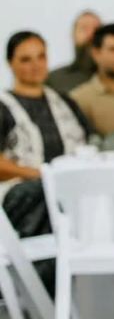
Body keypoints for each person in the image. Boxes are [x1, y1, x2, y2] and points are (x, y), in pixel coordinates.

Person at [1, 32, 90, 242]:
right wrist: (40, 174)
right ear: (10, 63)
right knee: (46, 191)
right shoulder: (3, 106)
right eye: (26, 59)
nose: (36, 65)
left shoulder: (64, 102)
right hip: (23, 192)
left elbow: (88, 143)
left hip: (68, 186)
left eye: (41, 57)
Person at [46, 9, 100, 95]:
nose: (91, 34)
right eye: (84, 28)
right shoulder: (53, 79)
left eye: (97, 29)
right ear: (73, 35)